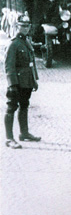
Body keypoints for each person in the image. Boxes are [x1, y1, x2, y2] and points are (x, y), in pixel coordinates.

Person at [4, 14, 40, 149]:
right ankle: (9, 138)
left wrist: (34, 80)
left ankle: (24, 133)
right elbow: (9, 65)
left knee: (24, 105)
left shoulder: (26, 41)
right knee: (11, 107)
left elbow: (31, 62)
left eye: (27, 26)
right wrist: (12, 84)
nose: (26, 28)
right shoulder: (13, 43)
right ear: (17, 26)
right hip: (17, 82)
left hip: (26, 82)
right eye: (23, 26)